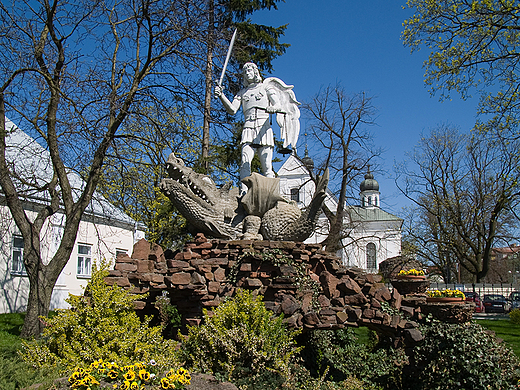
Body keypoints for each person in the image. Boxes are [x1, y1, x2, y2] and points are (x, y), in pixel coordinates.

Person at [215, 62, 282, 194]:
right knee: (245, 162)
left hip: (263, 127)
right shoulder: (242, 92)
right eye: (245, 72)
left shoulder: (266, 88)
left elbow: (278, 104)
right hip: (248, 128)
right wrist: (221, 96)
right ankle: (244, 192)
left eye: (249, 70)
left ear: (255, 72)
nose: (247, 73)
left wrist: (273, 108)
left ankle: (272, 194)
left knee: (267, 166)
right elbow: (233, 110)